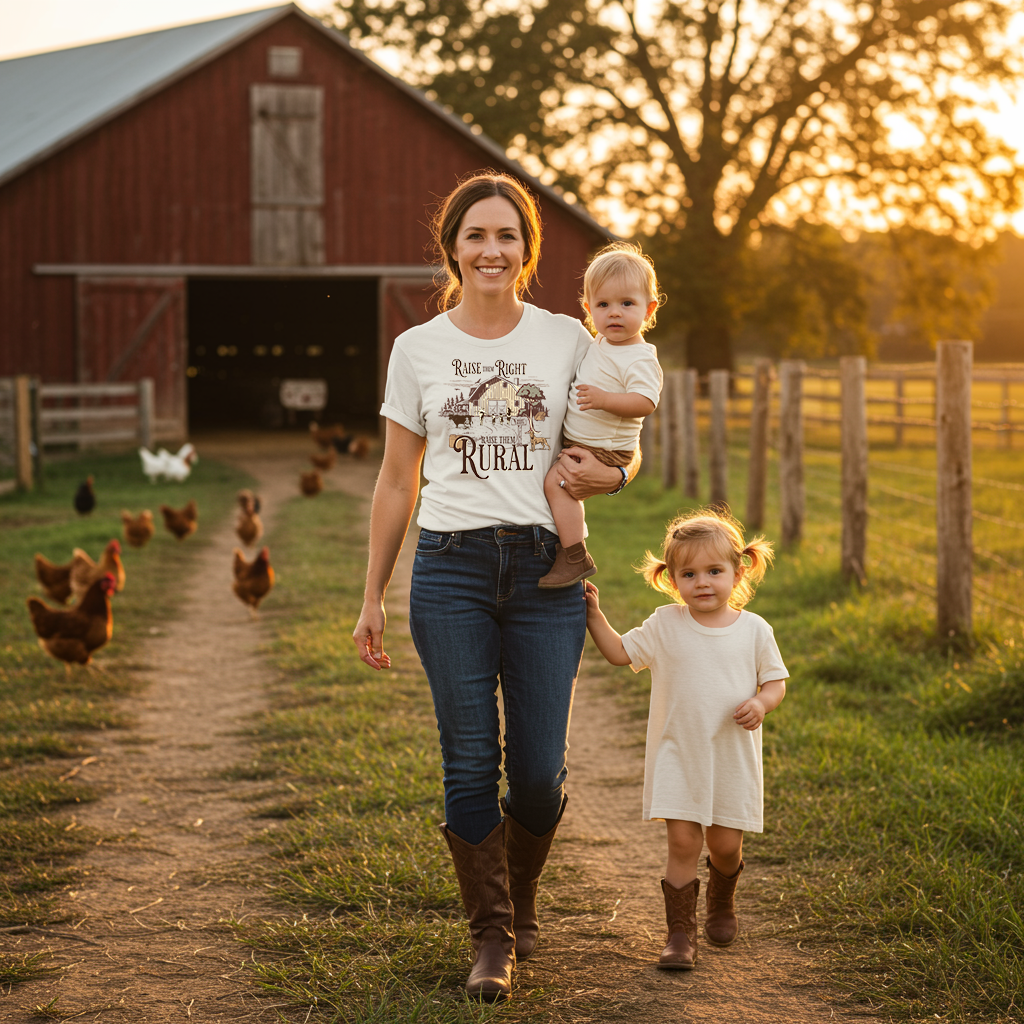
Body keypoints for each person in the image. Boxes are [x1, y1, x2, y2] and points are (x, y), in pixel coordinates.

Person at [351, 172, 631, 1001]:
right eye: (476, 235)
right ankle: (492, 934)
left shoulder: (567, 340)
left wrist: (612, 482)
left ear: (527, 250)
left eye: (507, 236)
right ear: (453, 248)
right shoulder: (418, 350)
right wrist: (372, 593)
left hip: (547, 570)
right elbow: (397, 481)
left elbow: (619, 443)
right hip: (451, 569)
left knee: (540, 771)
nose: (491, 250)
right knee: (470, 760)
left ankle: (520, 895)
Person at [583, 509, 788, 970]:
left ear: (739, 571)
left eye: (714, 571)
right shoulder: (665, 624)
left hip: (730, 758)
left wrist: (761, 703)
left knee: (725, 846)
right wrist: (594, 615)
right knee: (682, 843)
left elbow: (775, 682)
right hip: (678, 754)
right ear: (672, 580)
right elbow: (620, 653)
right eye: (689, 574)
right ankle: (680, 936)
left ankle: (721, 901)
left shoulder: (754, 630)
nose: (703, 582)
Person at [539, 243, 663, 589]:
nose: (615, 314)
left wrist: (606, 399)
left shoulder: (639, 357)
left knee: (557, 484)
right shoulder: (600, 343)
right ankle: (569, 549)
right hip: (587, 442)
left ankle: (574, 555)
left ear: (649, 309)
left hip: (605, 449)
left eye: (627, 304)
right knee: (557, 483)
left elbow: (645, 402)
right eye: (603, 305)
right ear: (588, 309)